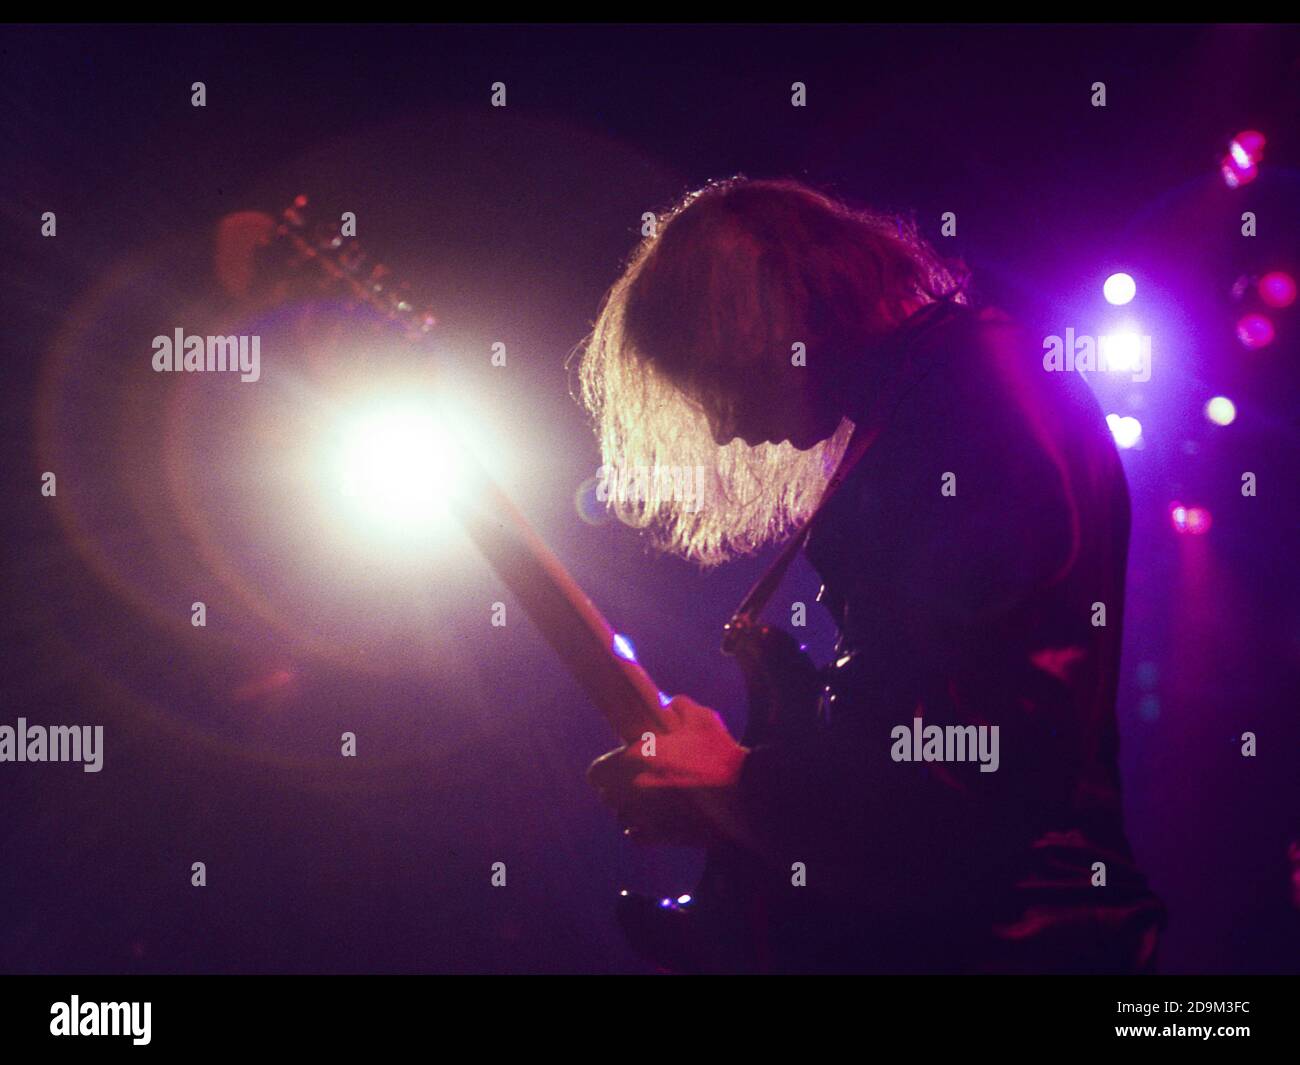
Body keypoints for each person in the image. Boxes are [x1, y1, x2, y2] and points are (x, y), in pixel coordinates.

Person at [579, 177, 1165, 973]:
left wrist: (740, 784)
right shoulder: (932, 396)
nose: (723, 424)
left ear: (765, 318)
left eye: (711, 373)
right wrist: (729, 807)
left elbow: (967, 774)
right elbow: (900, 740)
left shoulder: (975, 395)